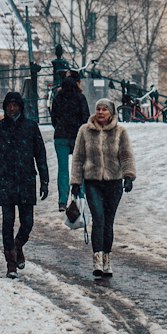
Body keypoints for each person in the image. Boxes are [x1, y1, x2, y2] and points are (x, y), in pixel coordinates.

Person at [0, 90, 49, 278]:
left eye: (15, 105)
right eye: (9, 105)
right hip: (5, 180)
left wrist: (44, 180)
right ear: (5, 107)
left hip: (26, 179)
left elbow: (40, 155)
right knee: (7, 222)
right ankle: (10, 261)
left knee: (28, 222)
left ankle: (18, 244)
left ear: (21, 106)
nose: (12, 108)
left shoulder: (30, 127)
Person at [70, 97, 136, 279]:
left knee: (108, 221)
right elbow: (78, 158)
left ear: (111, 112)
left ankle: (107, 259)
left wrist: (129, 176)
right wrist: (75, 182)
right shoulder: (85, 131)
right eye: (98, 109)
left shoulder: (120, 132)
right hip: (92, 182)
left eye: (104, 109)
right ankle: (97, 260)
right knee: (98, 219)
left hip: (114, 182)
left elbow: (126, 155)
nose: (100, 112)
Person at [50, 68, 90, 211]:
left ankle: (62, 201)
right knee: (79, 168)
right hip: (77, 136)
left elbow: (53, 117)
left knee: (63, 169)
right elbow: (86, 118)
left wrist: (60, 127)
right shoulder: (80, 98)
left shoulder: (58, 98)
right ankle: (80, 195)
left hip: (61, 136)